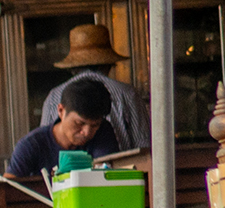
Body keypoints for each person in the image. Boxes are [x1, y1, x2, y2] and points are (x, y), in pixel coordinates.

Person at [37, 21, 146, 157]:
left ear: (72, 67)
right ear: (108, 65)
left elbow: (45, 145)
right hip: (119, 176)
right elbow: (143, 148)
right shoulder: (127, 93)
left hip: (66, 176)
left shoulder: (54, 96)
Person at [5, 75, 118, 186]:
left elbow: (106, 176)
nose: (87, 132)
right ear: (61, 111)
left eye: (94, 125)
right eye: (79, 123)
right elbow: (7, 188)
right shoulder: (31, 146)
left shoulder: (103, 132)